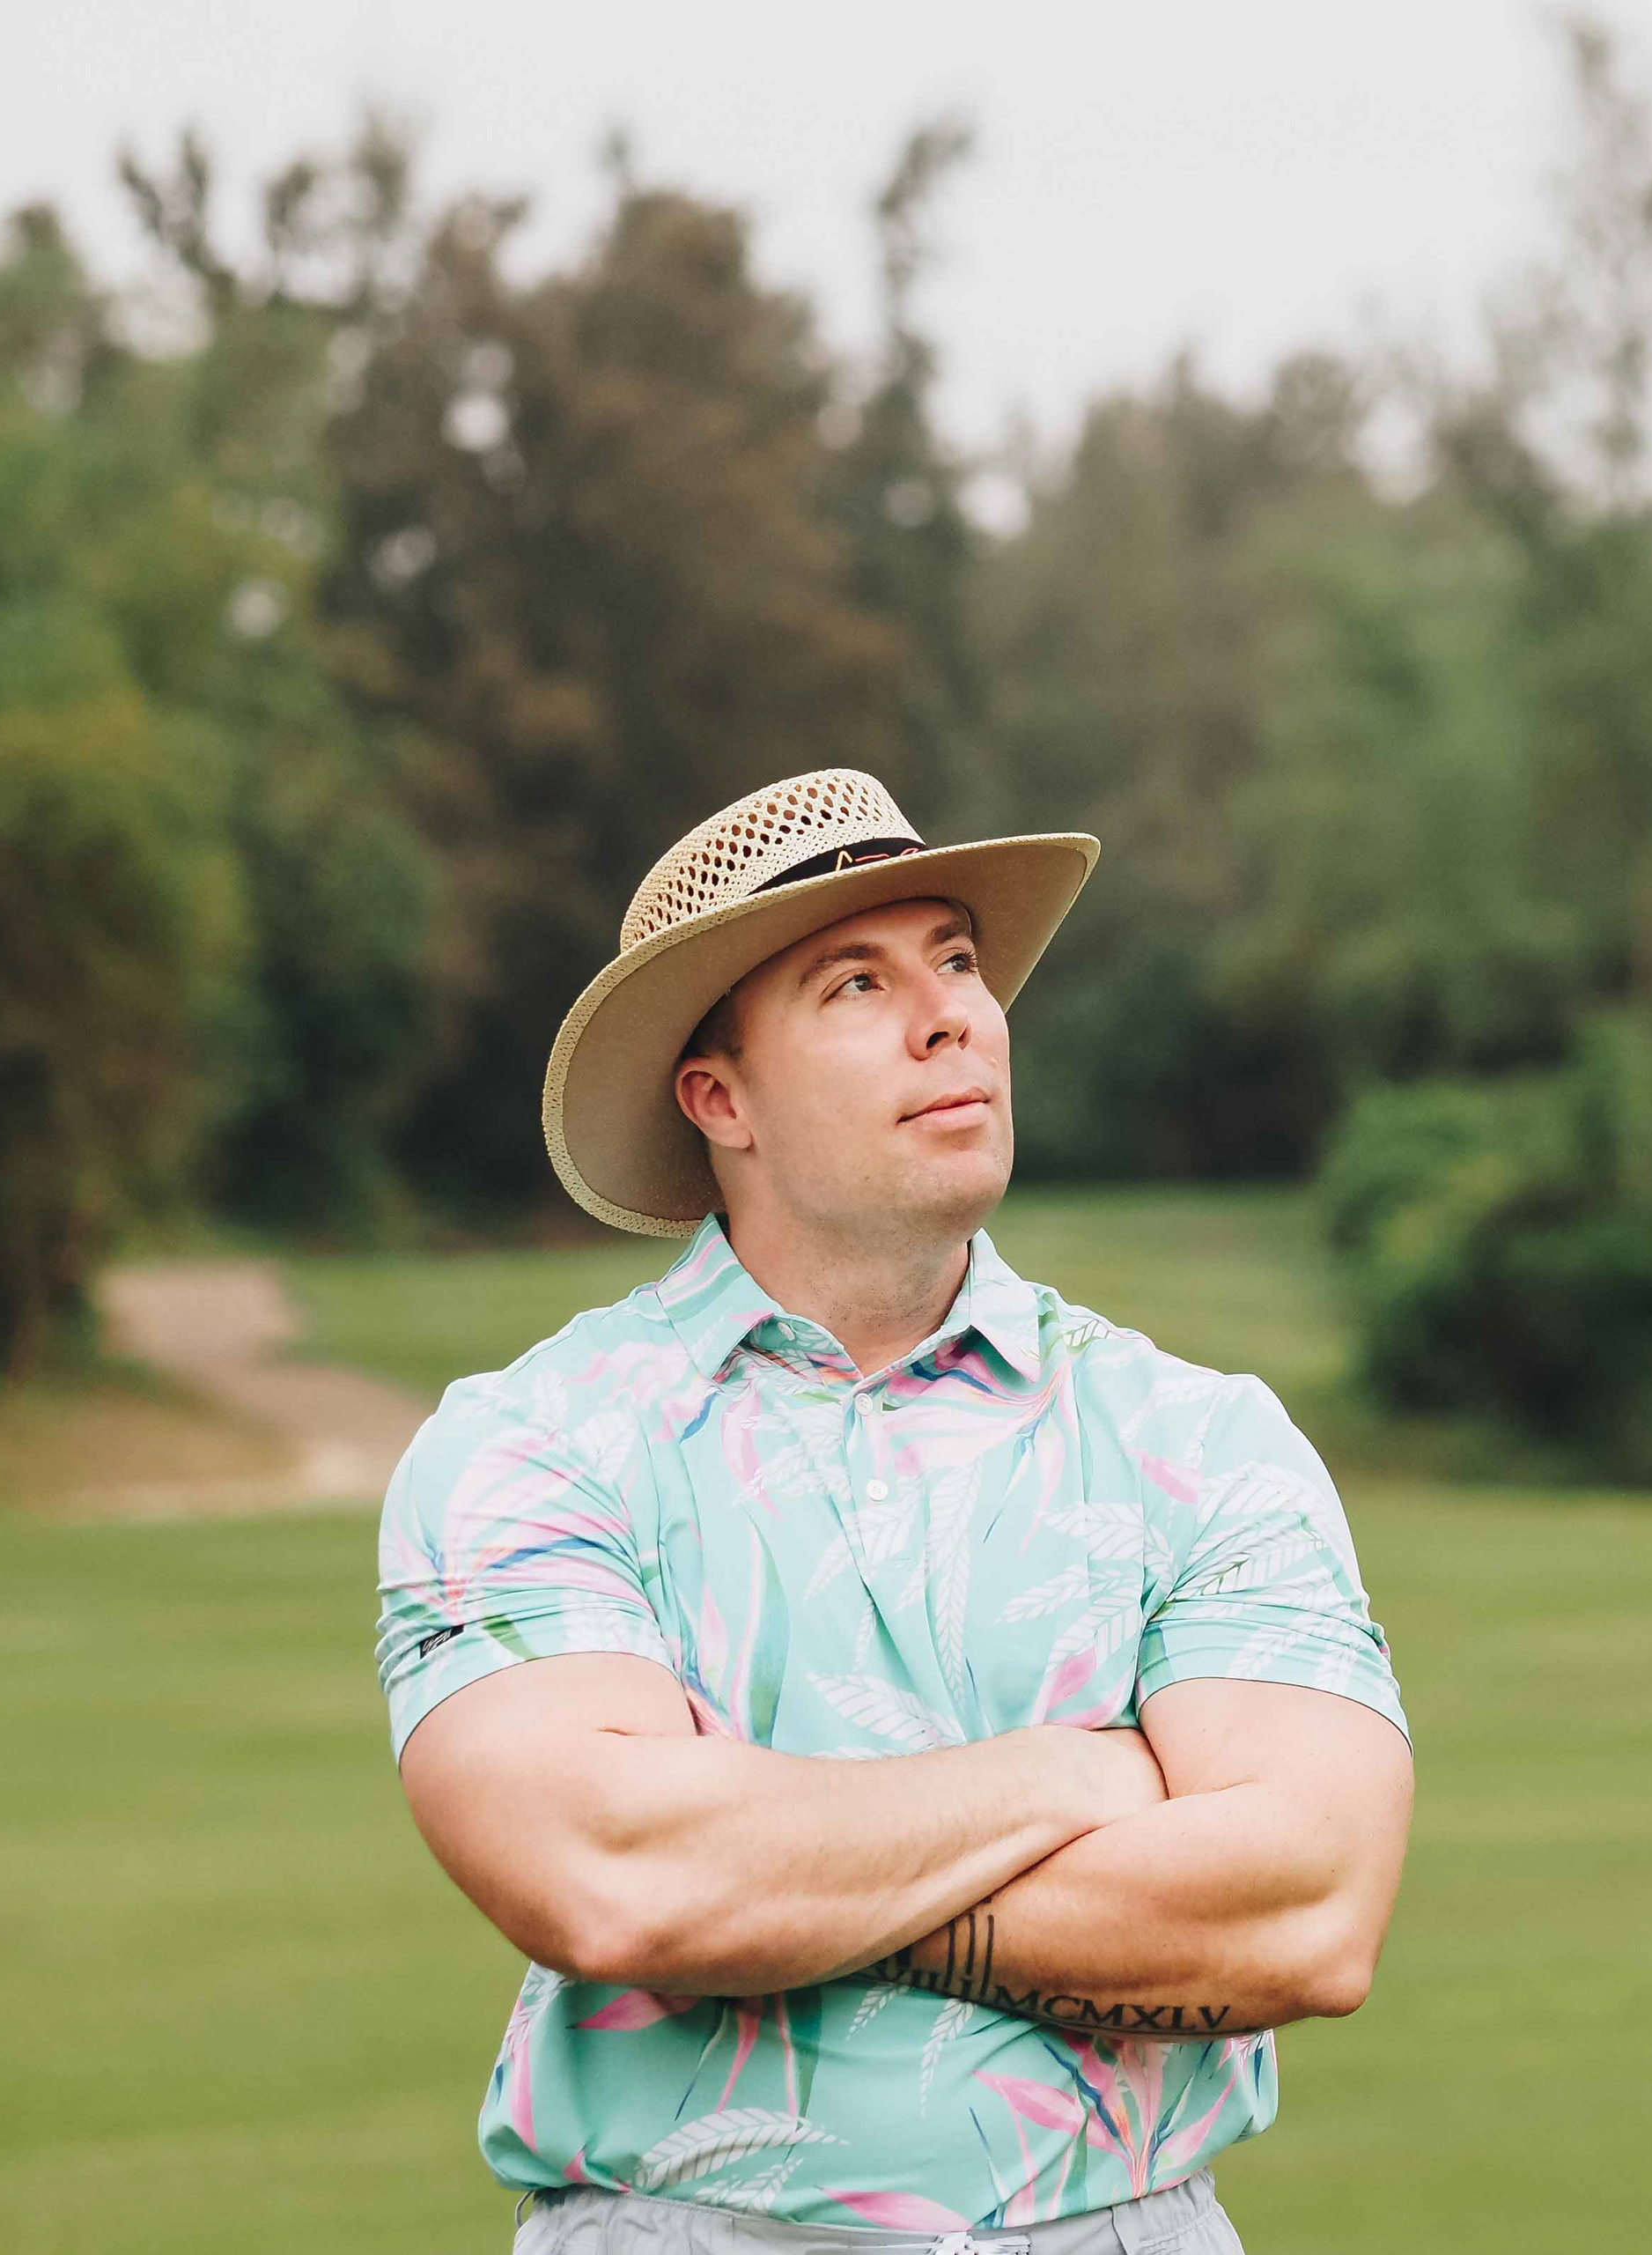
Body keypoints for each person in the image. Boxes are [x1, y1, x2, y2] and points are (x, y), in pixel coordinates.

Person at [374, 768, 1415, 2255]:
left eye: (958, 962)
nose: (949, 1017)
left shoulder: (1200, 1438)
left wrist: (773, 1891)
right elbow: (613, 1882)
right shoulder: (535, 1444)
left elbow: (1306, 1913)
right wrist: (1078, 1778)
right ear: (718, 1097)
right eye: (854, 981)